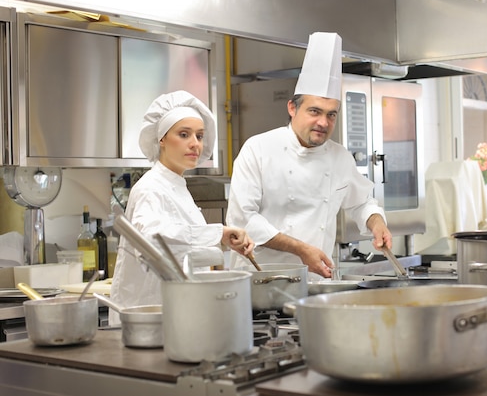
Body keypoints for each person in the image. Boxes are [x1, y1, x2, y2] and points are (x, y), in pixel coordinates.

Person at [226, 32, 391, 278]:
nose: (323, 122)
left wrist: (378, 224)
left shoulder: (339, 158)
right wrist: (301, 249)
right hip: (260, 281)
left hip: (315, 281)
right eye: (314, 111)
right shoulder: (258, 149)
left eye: (331, 114)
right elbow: (244, 221)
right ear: (292, 107)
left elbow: (362, 202)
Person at [110, 90, 254, 324]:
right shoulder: (150, 188)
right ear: (162, 139)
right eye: (184, 134)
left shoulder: (177, 186)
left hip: (174, 314)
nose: (194, 144)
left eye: (199, 136)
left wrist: (222, 242)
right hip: (147, 318)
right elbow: (151, 243)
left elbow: (183, 249)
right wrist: (218, 233)